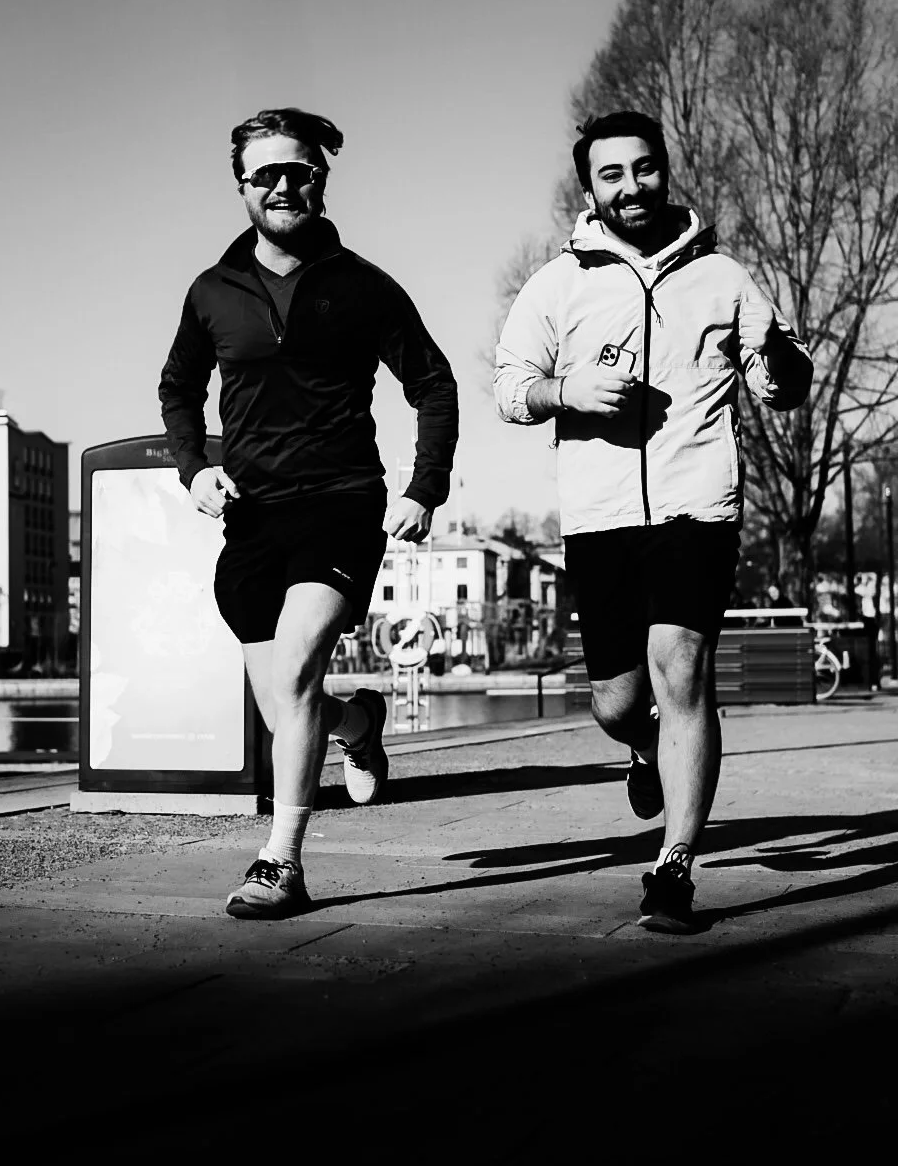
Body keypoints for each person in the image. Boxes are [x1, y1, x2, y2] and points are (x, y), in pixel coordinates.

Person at [494, 110, 812, 932]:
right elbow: (509, 386)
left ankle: (674, 867)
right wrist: (566, 394)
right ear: (589, 188)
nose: (631, 186)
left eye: (644, 169)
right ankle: (641, 749)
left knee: (683, 667)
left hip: (695, 505)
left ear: (665, 170)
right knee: (614, 701)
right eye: (612, 175)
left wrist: (781, 366)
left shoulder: (724, 279)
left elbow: (780, 381)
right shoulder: (557, 284)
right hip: (600, 520)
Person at [159, 107, 458, 919]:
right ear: (242, 187)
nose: (283, 186)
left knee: (293, 671)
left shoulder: (363, 286)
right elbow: (178, 389)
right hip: (251, 517)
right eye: (266, 174)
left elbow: (432, 382)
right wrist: (195, 470)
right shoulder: (211, 292)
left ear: (321, 177)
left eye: (299, 170)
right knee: (291, 702)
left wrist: (424, 486)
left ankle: (279, 863)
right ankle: (359, 721)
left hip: (340, 504)